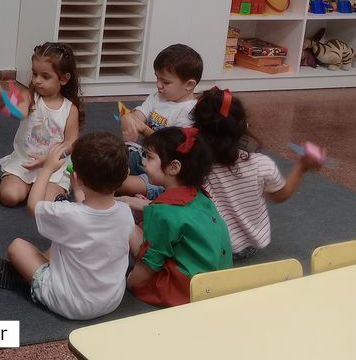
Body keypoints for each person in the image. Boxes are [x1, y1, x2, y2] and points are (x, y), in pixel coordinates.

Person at [0, 132, 135, 320]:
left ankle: (29, 282)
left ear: (77, 176)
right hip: (110, 300)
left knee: (17, 247)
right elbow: (91, 211)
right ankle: (36, 271)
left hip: (69, 303)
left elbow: (34, 206)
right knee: (65, 239)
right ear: (126, 174)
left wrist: (47, 170)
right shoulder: (125, 212)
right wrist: (78, 189)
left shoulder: (68, 215)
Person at [193, 87, 322, 259]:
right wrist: (302, 167)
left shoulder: (194, 165)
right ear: (244, 127)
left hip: (212, 246)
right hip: (247, 246)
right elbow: (281, 195)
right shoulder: (261, 164)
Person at [126, 127, 232, 307]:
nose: (144, 163)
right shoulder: (199, 195)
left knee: (128, 225)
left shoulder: (163, 211)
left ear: (174, 167)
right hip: (217, 281)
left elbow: (150, 263)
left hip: (185, 290)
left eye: (149, 157)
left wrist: (129, 282)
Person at [0, 42, 82, 206]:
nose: (37, 81)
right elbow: (18, 113)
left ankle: (41, 188)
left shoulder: (70, 109)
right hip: (25, 162)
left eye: (45, 76)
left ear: (64, 79)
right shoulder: (29, 96)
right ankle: (25, 184)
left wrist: (49, 159)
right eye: (35, 74)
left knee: (45, 205)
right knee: (8, 196)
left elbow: (71, 143)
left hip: (53, 167)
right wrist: (1, 100)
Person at [118, 43, 202, 200]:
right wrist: (129, 119)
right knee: (106, 161)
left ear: (189, 85)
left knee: (117, 182)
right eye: (157, 78)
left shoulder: (189, 112)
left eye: (166, 82)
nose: (158, 85)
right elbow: (139, 114)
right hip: (143, 155)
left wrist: (144, 130)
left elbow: (171, 147)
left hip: (164, 173)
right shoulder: (158, 97)